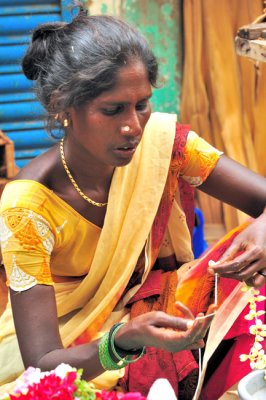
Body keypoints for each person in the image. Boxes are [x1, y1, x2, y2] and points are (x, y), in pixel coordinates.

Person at [0, 5, 265, 399]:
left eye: (141, 104)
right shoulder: (28, 206)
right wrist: (122, 341)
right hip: (79, 343)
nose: (133, 126)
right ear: (62, 107)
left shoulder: (163, 144)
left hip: (160, 303)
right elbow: (42, 360)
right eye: (112, 110)